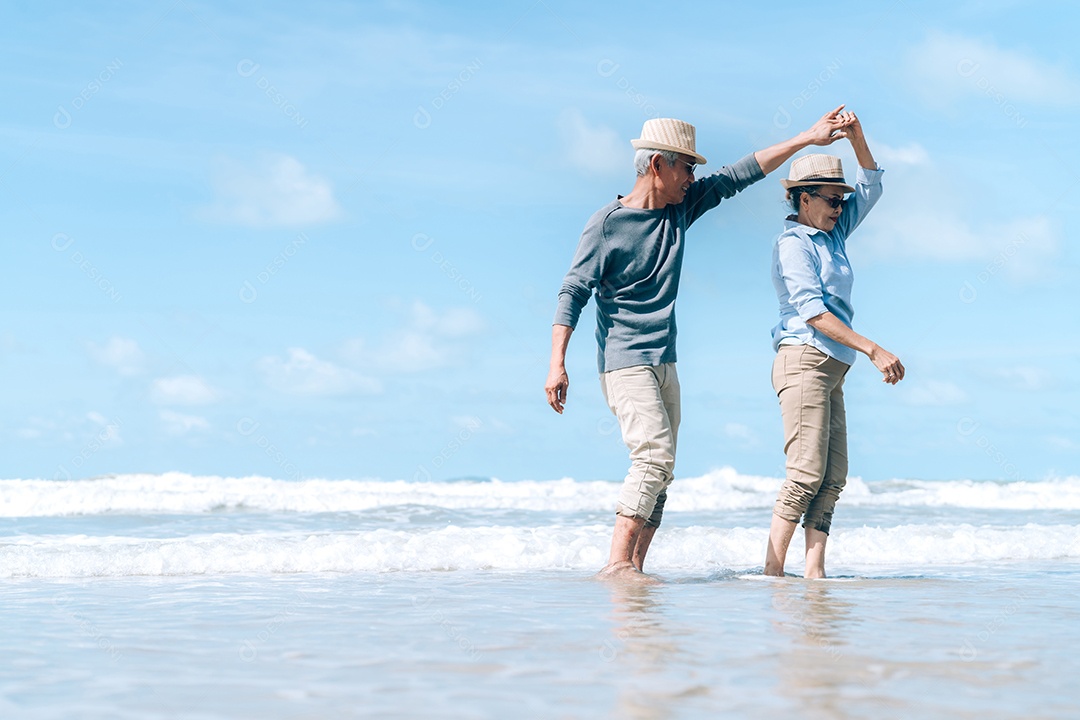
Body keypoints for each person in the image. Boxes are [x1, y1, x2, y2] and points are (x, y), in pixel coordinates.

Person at [546, 107, 857, 581]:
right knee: (651, 457)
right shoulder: (606, 224)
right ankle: (616, 564)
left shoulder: (680, 208)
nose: (694, 176)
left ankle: (635, 570)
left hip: (664, 359)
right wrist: (557, 365)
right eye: (687, 166)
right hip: (624, 359)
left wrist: (807, 138)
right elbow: (573, 292)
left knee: (663, 471)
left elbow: (742, 173)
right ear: (658, 166)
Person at [763, 111, 904, 579]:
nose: (840, 208)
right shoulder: (794, 244)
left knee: (832, 477)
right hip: (804, 357)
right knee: (804, 474)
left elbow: (872, 185)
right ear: (804, 200)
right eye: (831, 201)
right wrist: (873, 348)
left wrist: (858, 136)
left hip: (834, 365)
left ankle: (815, 574)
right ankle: (771, 574)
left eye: (842, 202)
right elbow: (814, 313)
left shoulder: (835, 233)